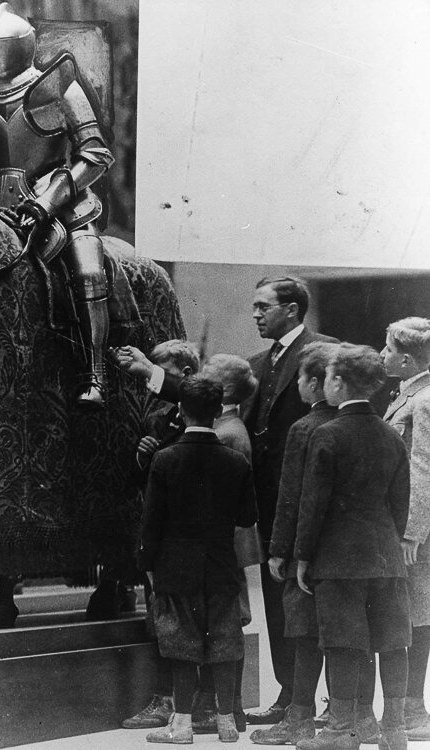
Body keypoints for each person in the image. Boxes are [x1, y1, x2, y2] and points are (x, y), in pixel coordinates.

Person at [0, 2, 115, 409]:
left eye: (3, 45)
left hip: (62, 202)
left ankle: (96, 372)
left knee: (88, 268)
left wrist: (49, 199)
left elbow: (95, 154)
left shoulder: (59, 87)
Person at [294, 344, 411, 750]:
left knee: (344, 642)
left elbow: (313, 505)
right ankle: (393, 730)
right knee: (393, 640)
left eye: (327, 377)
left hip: (339, 558)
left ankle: (342, 731)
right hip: (387, 557)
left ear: (338, 382)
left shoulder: (326, 435)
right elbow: (401, 505)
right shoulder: (390, 435)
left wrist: (304, 556)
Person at [140, 375, 258, 744]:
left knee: (180, 647)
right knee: (223, 645)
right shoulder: (236, 461)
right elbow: (246, 518)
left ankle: (181, 726)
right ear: (216, 411)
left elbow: (151, 522)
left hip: (174, 568)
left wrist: (147, 565)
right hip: (221, 567)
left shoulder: (164, 459)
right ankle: (225, 722)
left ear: (180, 410)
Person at [243, 276, 338, 725]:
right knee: (278, 600)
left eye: (264, 307)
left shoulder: (328, 352)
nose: (256, 314)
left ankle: (328, 700)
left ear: (293, 310)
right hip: (268, 506)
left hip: (315, 505)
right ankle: (288, 693)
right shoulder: (256, 363)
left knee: (319, 603)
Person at [122, 339, 199, 731]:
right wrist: (143, 455)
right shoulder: (160, 419)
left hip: (189, 540)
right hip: (163, 536)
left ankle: (186, 702)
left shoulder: (205, 418)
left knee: (187, 622)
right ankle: (168, 698)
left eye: (162, 369)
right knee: (163, 621)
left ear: (185, 375)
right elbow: (146, 483)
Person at [202, 353, 263, 733]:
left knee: (226, 624)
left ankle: (230, 705)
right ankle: (230, 706)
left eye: (207, 374)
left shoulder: (227, 433)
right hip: (230, 541)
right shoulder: (228, 426)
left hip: (225, 542)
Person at [381, 317, 430, 741]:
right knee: (413, 611)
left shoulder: (425, 399)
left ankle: (414, 708)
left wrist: (412, 531)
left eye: (389, 350)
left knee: (417, 612)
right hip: (410, 523)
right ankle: (410, 706)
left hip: (418, 530)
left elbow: (422, 466)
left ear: (408, 358)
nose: (383, 356)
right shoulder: (408, 394)